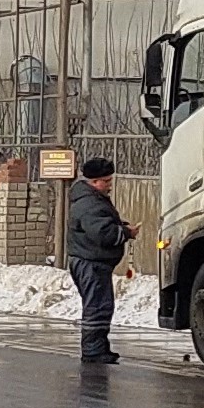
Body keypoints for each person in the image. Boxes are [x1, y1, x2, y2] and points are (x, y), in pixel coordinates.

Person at [66, 156, 134, 365]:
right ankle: (93, 351)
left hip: (91, 262)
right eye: (106, 181)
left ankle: (98, 348)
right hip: (91, 263)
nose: (109, 185)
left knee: (100, 305)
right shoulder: (89, 203)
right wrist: (125, 232)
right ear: (94, 182)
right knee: (97, 307)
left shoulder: (90, 200)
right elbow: (102, 233)